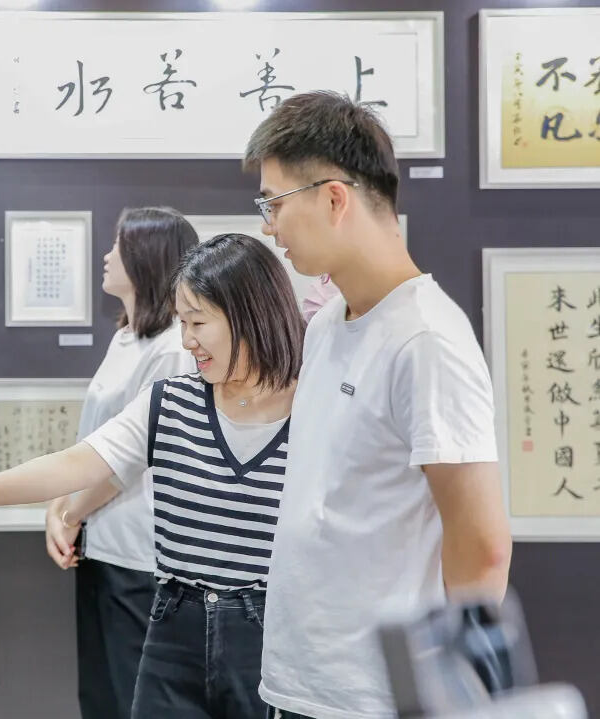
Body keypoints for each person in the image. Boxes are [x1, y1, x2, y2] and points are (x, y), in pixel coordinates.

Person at [0, 234, 306, 719]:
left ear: (247, 315)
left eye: (198, 322)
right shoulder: (170, 402)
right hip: (175, 627)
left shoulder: (313, 404)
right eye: (182, 322)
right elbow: (74, 464)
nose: (187, 340)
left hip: (268, 631)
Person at [244, 91, 512, 719]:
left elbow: (482, 548)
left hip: (378, 698)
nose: (267, 226)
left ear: (334, 199)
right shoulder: (327, 323)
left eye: (273, 203)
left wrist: (456, 697)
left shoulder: (427, 340)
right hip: (299, 684)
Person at [44, 206, 197, 719]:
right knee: (102, 694)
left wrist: (70, 514)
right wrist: (61, 509)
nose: (108, 256)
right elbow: (94, 439)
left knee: (131, 697)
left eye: (119, 245)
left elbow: (131, 458)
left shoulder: (173, 349)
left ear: (148, 257)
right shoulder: (129, 336)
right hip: (99, 541)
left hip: (139, 553)